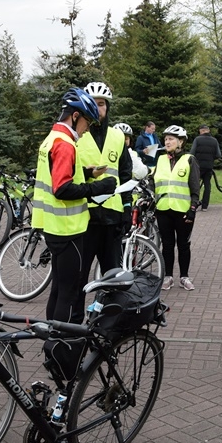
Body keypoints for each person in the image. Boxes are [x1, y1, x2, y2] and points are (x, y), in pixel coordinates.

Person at [32, 88, 115, 323]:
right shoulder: (66, 144)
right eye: (87, 121)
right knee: (69, 293)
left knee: (58, 290)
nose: (87, 128)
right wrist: (99, 187)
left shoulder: (51, 139)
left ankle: (53, 342)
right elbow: (62, 189)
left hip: (54, 227)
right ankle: (64, 349)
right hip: (69, 228)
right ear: (76, 116)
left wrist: (87, 173)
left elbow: (58, 175)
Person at [77, 83, 132, 304]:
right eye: (93, 104)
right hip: (84, 217)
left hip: (112, 217)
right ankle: (75, 325)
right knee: (79, 277)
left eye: (102, 104)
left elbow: (126, 174)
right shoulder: (77, 136)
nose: (98, 109)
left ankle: (110, 326)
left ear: (107, 108)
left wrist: (128, 209)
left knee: (113, 278)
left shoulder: (118, 137)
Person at [155, 125, 201, 291]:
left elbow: (195, 187)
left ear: (180, 141)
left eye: (171, 139)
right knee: (167, 245)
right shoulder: (160, 159)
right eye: (166, 139)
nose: (167, 142)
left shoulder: (189, 159)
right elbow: (154, 183)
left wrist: (193, 208)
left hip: (183, 211)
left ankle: (184, 277)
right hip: (163, 210)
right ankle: (168, 277)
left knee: (183, 245)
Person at [190, 124, 221, 211]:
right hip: (209, 166)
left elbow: (192, 153)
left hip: (198, 167)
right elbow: (218, 154)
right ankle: (204, 206)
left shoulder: (197, 139)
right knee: (207, 186)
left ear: (202, 131)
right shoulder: (214, 141)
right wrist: (211, 158)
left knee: (195, 185)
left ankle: (193, 204)